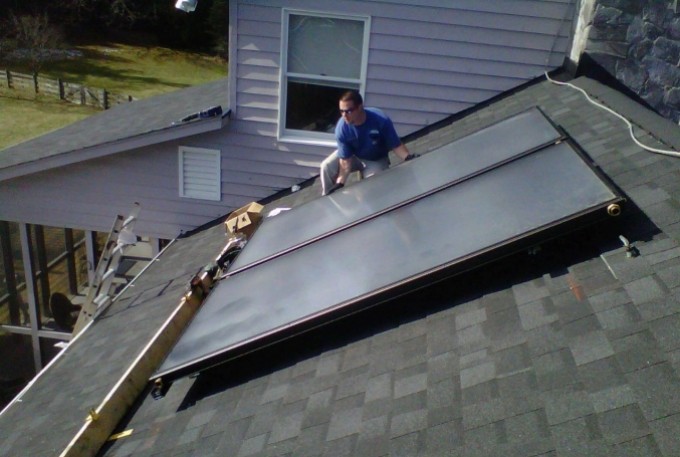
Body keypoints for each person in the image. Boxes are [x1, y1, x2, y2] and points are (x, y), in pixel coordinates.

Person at [320, 90, 417, 195]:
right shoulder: (342, 128)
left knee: (374, 184)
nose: (344, 115)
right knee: (326, 166)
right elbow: (345, 160)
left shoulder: (380, 119)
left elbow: (396, 145)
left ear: (360, 107)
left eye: (348, 111)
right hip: (353, 156)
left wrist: (408, 157)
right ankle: (328, 198)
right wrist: (340, 183)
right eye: (341, 111)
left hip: (375, 160)